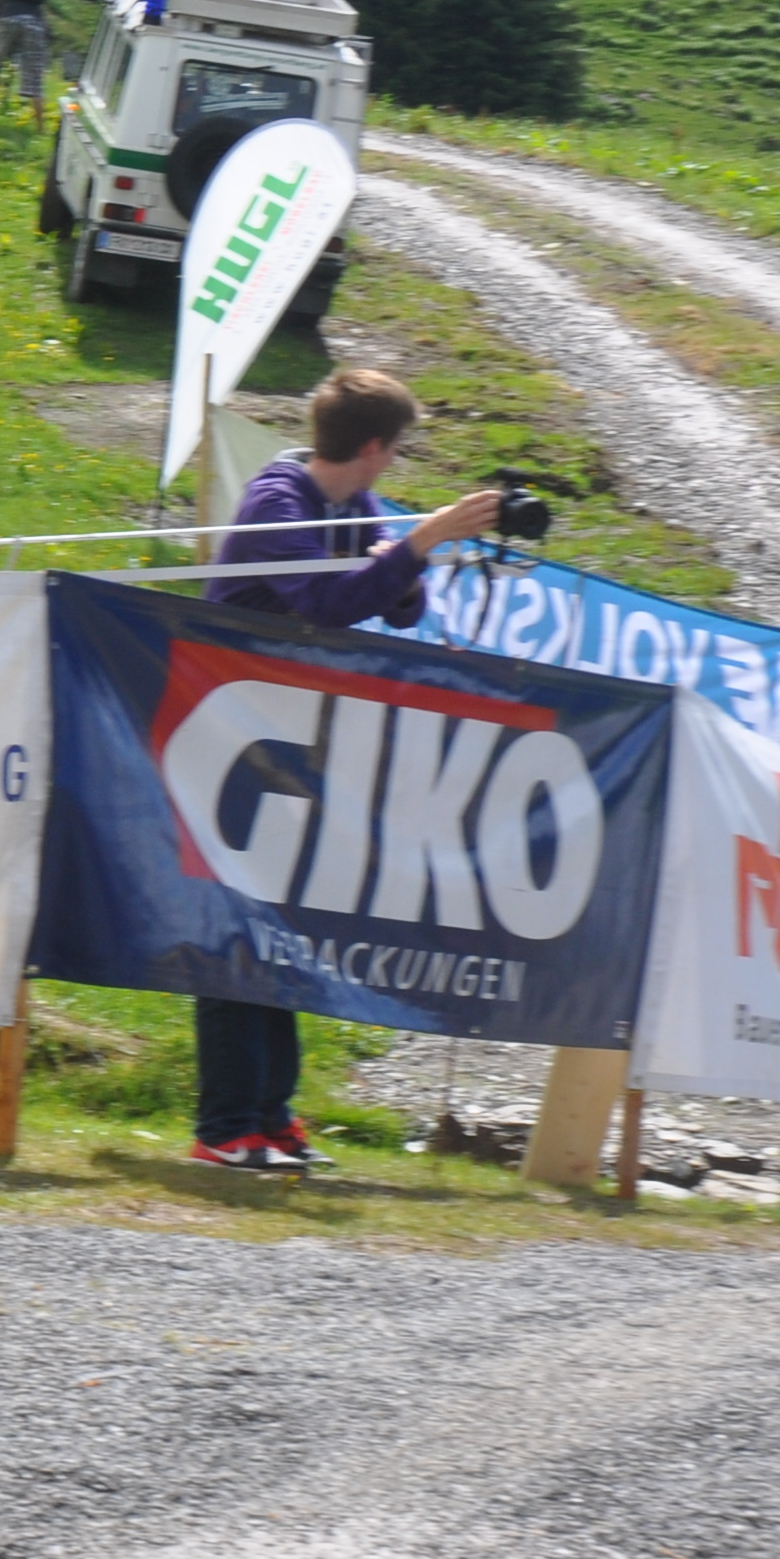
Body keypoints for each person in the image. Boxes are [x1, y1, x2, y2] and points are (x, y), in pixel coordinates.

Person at [190, 365, 506, 1173]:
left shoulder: (352, 506)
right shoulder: (278, 501)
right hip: (226, 732)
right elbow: (325, 604)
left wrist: (404, 555)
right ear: (372, 447)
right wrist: (416, 544)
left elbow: (400, 608)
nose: (394, 462)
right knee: (236, 935)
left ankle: (270, 1115)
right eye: (394, 449)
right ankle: (224, 1125)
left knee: (281, 933)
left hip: (288, 739)